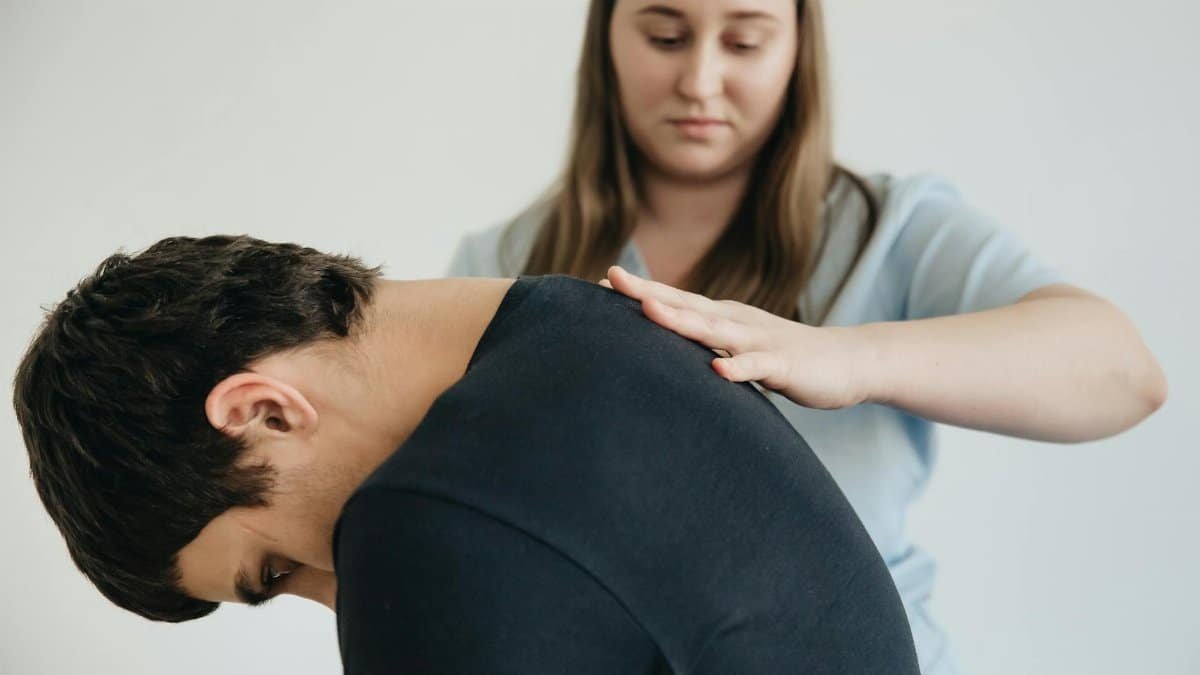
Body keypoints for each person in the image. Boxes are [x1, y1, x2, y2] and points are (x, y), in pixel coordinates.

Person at [446, 1, 1168, 672]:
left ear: (798, 47)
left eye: (744, 41)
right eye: (664, 37)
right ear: (606, 36)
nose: (700, 80)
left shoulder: (895, 231)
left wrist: (847, 357)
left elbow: (1123, 373)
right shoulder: (500, 265)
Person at [14, 235, 923, 673]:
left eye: (273, 567)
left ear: (261, 411)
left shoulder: (421, 525)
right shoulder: (601, 330)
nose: (328, 590)